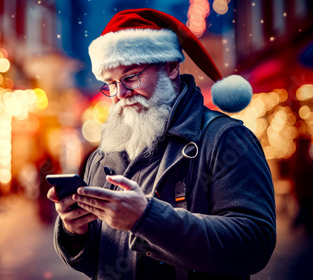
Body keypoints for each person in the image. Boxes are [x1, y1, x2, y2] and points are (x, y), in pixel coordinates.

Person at [47, 8, 276, 280]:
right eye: (110, 83)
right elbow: (97, 262)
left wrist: (147, 219)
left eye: (131, 77)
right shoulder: (103, 154)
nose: (120, 94)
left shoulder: (225, 139)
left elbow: (254, 244)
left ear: (170, 66)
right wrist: (74, 231)